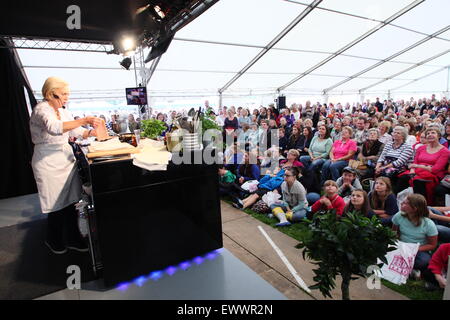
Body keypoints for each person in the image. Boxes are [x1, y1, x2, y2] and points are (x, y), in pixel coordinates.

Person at [30, 77, 102, 254]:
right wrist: (84, 120)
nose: (66, 97)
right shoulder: (42, 109)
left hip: (64, 159)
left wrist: (93, 131)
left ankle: (73, 237)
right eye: (63, 94)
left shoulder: (63, 111)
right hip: (47, 160)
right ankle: (53, 238)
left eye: (67, 94)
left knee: (71, 201)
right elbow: (55, 128)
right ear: (50, 93)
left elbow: (76, 131)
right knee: (56, 204)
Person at [392, 194, 438, 274]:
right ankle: (409, 268)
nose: (402, 203)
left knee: (424, 260)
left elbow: (432, 245)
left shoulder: (429, 224)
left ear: (414, 209)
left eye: (406, 203)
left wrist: (413, 249)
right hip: (401, 245)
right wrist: (395, 243)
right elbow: (394, 232)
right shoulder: (399, 216)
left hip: (418, 250)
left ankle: (408, 268)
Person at [408, 127, 450, 205]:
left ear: (439, 136)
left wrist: (417, 166)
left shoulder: (445, 151)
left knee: (418, 181)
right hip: (417, 171)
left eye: (433, 133)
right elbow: (414, 161)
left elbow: (435, 169)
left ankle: (421, 207)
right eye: (428, 133)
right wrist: (412, 170)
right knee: (404, 177)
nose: (430, 135)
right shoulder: (421, 148)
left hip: (433, 174)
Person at [375, 126, 414, 192]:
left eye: (398, 133)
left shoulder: (408, 147)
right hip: (385, 165)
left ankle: (387, 192)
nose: (395, 134)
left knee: (387, 172)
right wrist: (377, 167)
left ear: (403, 136)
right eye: (394, 132)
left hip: (398, 167)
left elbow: (399, 162)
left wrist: (382, 168)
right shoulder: (389, 144)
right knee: (370, 170)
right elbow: (382, 157)